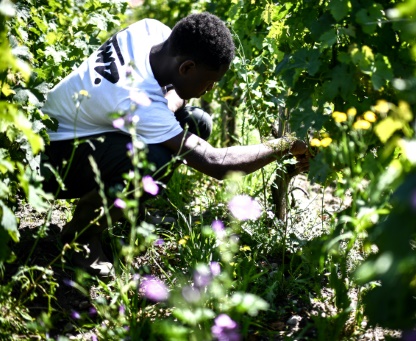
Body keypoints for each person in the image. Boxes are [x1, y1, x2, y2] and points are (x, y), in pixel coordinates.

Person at [41, 12, 309, 277]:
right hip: (52, 163)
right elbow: (217, 164)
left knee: (196, 122)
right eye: (209, 81)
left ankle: (122, 205)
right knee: (157, 162)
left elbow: (167, 96)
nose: (210, 89)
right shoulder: (135, 100)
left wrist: (167, 107)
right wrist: (285, 145)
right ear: (187, 68)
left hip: (78, 134)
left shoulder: (151, 30)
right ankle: (80, 238)